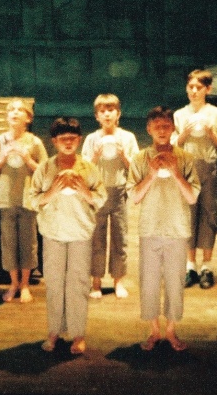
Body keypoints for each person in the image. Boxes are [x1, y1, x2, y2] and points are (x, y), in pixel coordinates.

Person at [27, 117, 106, 355]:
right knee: (54, 283)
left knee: (78, 283)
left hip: (80, 232)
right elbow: (32, 200)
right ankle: (54, 331)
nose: (68, 142)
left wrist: (84, 191)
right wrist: (52, 191)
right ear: (54, 141)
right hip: (53, 232)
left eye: (72, 138)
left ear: (79, 140)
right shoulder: (45, 168)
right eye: (63, 139)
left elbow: (100, 198)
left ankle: (78, 333)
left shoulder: (89, 168)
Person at [128, 107, 199, 352]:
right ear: (148, 129)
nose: (161, 130)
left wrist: (176, 173)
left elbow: (192, 197)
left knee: (174, 282)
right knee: (148, 282)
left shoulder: (185, 158)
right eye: (156, 126)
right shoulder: (140, 159)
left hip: (177, 228)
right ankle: (154, 331)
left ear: (173, 128)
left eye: (166, 126)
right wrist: (150, 174)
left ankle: (170, 330)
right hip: (150, 227)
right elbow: (134, 197)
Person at [174, 69, 217, 289]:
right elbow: (173, 144)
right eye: (190, 87)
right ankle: (190, 265)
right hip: (187, 169)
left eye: (198, 87)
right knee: (189, 215)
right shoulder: (180, 114)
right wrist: (184, 134)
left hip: (208, 168)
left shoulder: (216, 114)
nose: (194, 91)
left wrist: (211, 133)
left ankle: (206, 265)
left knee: (209, 213)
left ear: (208, 89)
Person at [0, 98, 47, 303]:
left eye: (20, 110)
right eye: (11, 109)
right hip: (6, 199)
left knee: (28, 243)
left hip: (27, 199)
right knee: (9, 243)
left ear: (28, 118)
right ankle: (13, 283)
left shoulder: (34, 143)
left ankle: (25, 284)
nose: (15, 112)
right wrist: (1, 160)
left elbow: (46, 172)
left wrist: (28, 160)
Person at [81, 93, 138, 299]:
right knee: (97, 238)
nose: (107, 114)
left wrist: (123, 154)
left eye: (111, 110)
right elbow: (84, 169)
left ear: (118, 114)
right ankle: (96, 282)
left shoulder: (128, 138)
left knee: (119, 237)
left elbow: (136, 168)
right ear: (96, 116)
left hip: (119, 192)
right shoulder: (91, 139)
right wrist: (95, 156)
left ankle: (118, 280)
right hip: (97, 193)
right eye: (102, 111)